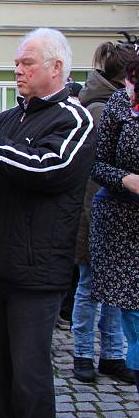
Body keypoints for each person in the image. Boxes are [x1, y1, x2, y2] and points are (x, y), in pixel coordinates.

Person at [0, 28, 95, 417]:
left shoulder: (75, 120)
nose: (18, 71)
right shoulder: (9, 118)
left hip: (35, 273)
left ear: (56, 67)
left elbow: (46, 169)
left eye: (26, 63)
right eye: (16, 64)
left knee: (29, 379)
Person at [71, 42, 135, 384]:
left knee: (116, 289)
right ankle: (83, 354)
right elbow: (95, 169)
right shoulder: (102, 108)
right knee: (90, 286)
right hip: (96, 212)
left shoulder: (118, 103)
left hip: (116, 211)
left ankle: (112, 354)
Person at [89, 46, 139, 394]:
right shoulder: (120, 105)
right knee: (134, 316)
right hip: (122, 223)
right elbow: (96, 163)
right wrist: (126, 179)